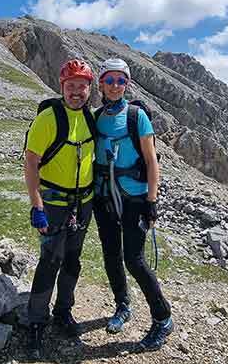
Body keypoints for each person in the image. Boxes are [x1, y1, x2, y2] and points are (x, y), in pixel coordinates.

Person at [92, 57, 173, 351]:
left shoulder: (137, 116)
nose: (115, 86)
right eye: (109, 80)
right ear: (101, 84)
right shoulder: (96, 116)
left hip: (135, 198)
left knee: (134, 260)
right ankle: (122, 305)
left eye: (121, 81)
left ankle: (163, 318)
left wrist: (152, 200)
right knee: (111, 254)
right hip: (104, 197)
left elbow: (151, 161)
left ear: (127, 84)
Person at [23, 58, 97, 359]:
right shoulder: (48, 118)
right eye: (71, 86)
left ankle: (63, 311)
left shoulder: (91, 117)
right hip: (53, 203)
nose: (76, 91)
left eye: (82, 86)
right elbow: (31, 162)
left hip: (83, 203)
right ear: (62, 87)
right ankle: (36, 322)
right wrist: (36, 205)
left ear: (90, 88)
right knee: (50, 261)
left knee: (72, 260)